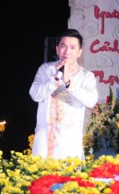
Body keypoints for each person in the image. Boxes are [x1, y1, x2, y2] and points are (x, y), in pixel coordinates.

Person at [29, 28, 99, 160]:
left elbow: (91, 101)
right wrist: (54, 80)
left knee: (70, 172)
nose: (67, 51)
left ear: (79, 52)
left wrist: (68, 83)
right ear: (57, 49)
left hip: (69, 141)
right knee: (41, 172)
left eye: (72, 47)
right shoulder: (46, 69)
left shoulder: (86, 76)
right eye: (63, 46)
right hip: (44, 139)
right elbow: (34, 95)